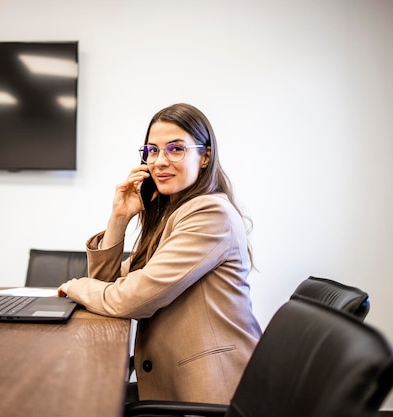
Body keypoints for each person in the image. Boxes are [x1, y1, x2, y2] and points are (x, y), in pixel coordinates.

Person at [57, 103, 262, 404]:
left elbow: (130, 299)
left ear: (205, 156)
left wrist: (75, 286)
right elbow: (110, 282)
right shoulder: (172, 212)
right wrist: (119, 217)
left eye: (175, 149)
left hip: (212, 393)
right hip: (173, 384)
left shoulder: (208, 213)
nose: (159, 161)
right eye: (152, 150)